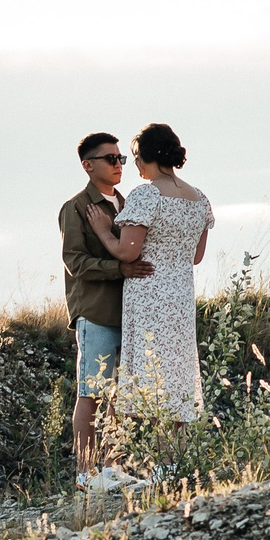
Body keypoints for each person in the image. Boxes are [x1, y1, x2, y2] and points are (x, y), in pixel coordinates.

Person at [84, 121, 214, 423]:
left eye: (136, 156)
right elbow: (196, 256)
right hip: (181, 296)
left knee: (149, 372)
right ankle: (171, 460)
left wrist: (104, 231)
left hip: (149, 294)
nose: (135, 164)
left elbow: (127, 252)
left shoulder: (147, 195)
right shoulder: (199, 198)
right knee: (175, 373)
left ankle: (148, 459)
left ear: (148, 155)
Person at [58, 132, 153, 480]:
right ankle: (86, 473)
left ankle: (112, 469)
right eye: (110, 159)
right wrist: (120, 268)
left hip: (130, 313)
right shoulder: (75, 208)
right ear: (88, 165)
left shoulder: (129, 205)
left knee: (124, 397)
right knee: (91, 393)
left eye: (120, 159)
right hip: (95, 313)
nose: (118, 165)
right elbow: (75, 262)